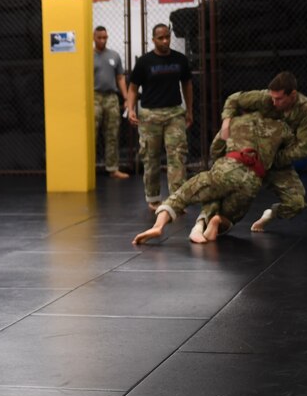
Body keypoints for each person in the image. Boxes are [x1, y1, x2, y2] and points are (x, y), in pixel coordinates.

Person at [132, 112, 291, 245]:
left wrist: (220, 163)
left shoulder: (236, 121)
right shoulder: (280, 128)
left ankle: (158, 226)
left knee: (182, 196)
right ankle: (212, 221)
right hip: (253, 181)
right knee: (229, 218)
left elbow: (216, 147)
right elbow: (289, 154)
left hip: (228, 167)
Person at [212, 71, 307, 232]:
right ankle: (211, 221)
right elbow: (233, 99)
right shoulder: (265, 98)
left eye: (279, 99)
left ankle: (270, 214)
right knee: (228, 199)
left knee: (296, 203)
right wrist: (226, 122)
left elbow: (305, 147)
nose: (274, 102)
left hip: (276, 160)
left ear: (293, 95)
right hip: (248, 157)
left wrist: (273, 159)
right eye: (273, 98)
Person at [126, 23, 194, 210]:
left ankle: (177, 200)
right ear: (153, 39)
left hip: (174, 113)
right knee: (151, 158)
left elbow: (187, 84)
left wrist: (189, 110)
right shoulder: (144, 62)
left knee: (177, 156)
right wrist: (131, 109)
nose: (165, 41)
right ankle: (154, 198)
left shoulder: (179, 59)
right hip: (149, 116)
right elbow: (132, 88)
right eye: (161, 38)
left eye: (167, 37)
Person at [92, 26, 129, 180]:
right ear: (94, 38)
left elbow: (120, 77)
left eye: (105, 37)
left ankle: (113, 168)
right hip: (93, 96)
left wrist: (126, 98)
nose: (102, 40)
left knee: (112, 132)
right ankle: (88, 168)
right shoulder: (87, 56)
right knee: (91, 133)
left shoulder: (114, 55)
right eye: (99, 37)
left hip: (111, 97)